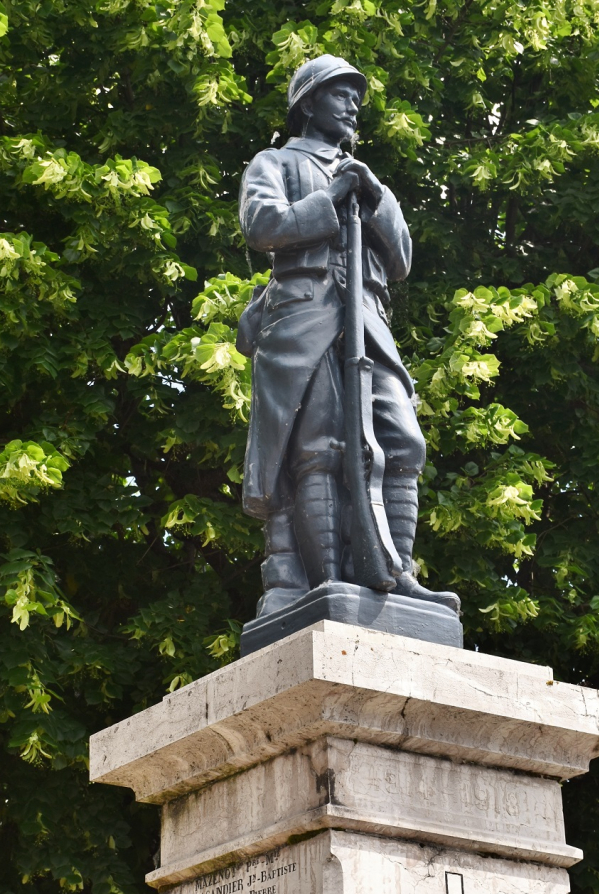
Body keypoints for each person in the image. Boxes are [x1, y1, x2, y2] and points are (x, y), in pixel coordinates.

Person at [237, 53, 459, 617]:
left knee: (403, 441)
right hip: (305, 320)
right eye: (340, 93)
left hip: (367, 322)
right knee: (319, 451)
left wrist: (375, 196)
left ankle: (397, 575)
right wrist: (328, 199)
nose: (354, 103)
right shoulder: (276, 162)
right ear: (308, 103)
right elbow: (263, 225)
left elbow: (403, 259)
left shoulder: (367, 180)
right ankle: (327, 581)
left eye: (356, 94)